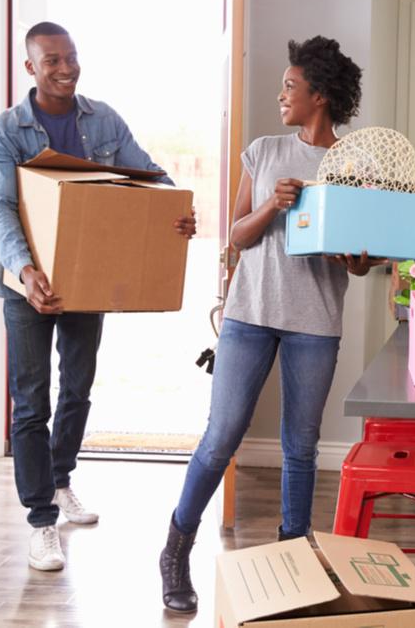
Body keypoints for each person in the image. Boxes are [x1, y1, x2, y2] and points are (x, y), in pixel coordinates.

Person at [159, 36, 381, 614]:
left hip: (315, 322)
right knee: (222, 436)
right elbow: (234, 236)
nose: (281, 95)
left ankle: (293, 560)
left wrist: (353, 256)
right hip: (249, 315)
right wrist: (270, 207)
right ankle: (177, 544)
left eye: (290, 86)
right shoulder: (262, 152)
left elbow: (360, 265)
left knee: (301, 447)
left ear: (321, 95)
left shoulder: (356, 165)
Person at [0, 22, 196, 572]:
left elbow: (147, 175)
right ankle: (39, 521)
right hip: (28, 283)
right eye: (51, 60)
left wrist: (173, 209)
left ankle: (60, 481)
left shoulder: (102, 119)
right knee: (31, 401)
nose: (65, 67)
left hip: (86, 278)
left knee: (77, 389)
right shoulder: (7, 130)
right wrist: (27, 272)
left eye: (71, 57)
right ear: (30, 67)